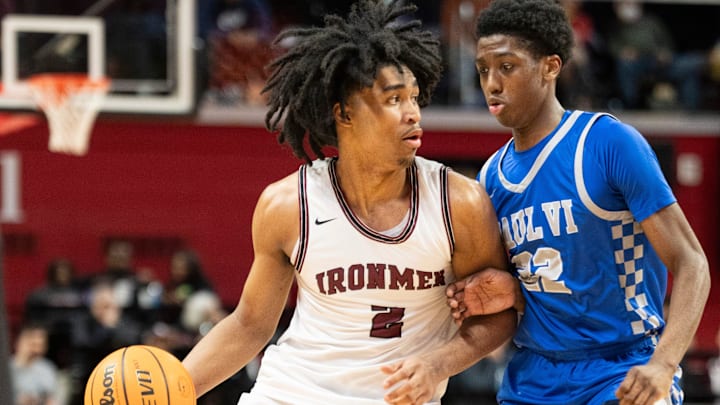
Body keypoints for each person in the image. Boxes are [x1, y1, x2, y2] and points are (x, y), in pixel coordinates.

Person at [182, 1, 517, 404]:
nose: (413, 113)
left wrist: (439, 364)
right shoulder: (288, 205)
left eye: (414, 98)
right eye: (394, 100)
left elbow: (496, 314)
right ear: (344, 114)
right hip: (290, 394)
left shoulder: (458, 202)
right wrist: (175, 389)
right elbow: (249, 326)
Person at [446, 0, 711, 404]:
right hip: (533, 374)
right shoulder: (490, 179)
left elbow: (692, 262)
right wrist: (507, 292)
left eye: (507, 66)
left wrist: (664, 363)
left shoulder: (606, 143)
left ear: (551, 67)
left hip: (621, 367)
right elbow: (525, 289)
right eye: (483, 70)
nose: (492, 84)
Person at [606, 0, 706, 110]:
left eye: (631, 3)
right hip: (636, 64)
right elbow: (612, 47)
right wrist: (623, 52)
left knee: (690, 65)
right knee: (624, 65)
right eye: (625, 4)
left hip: (658, 61)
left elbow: (667, 43)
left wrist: (664, 53)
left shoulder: (651, 22)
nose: (629, 7)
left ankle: (690, 109)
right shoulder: (615, 26)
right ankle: (631, 105)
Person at [10, 322, 58, 405]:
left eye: (40, 345)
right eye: (33, 344)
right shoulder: (7, 368)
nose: (36, 350)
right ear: (20, 342)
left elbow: (52, 399)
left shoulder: (47, 369)